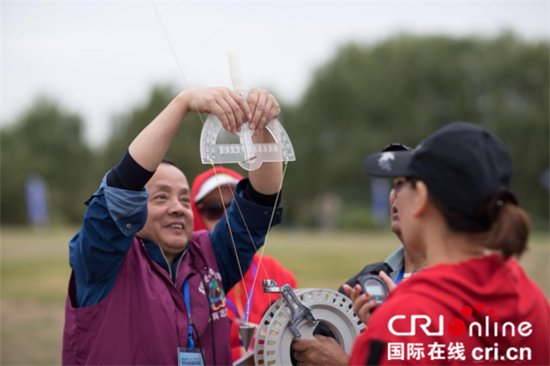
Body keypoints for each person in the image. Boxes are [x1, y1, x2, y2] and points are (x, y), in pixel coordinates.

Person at [62, 87, 284, 366]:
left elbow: (258, 207)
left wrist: (265, 127)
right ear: (134, 206)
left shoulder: (209, 256)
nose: (178, 207)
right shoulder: (100, 260)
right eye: (161, 197)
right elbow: (121, 189)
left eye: (183, 197)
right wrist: (184, 103)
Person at [350, 122, 549, 365]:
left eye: (404, 184)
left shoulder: (401, 323)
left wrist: (387, 330)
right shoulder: (535, 301)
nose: (396, 196)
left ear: (421, 198)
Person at [292, 144, 428, 366]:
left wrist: (346, 362)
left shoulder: (457, 286)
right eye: (396, 184)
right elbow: (314, 342)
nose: (397, 195)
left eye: (409, 185)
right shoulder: (370, 278)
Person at [190, 167, 298, 362]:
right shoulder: (185, 277)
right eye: (213, 209)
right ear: (195, 213)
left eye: (234, 208)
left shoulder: (277, 273)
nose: (226, 217)